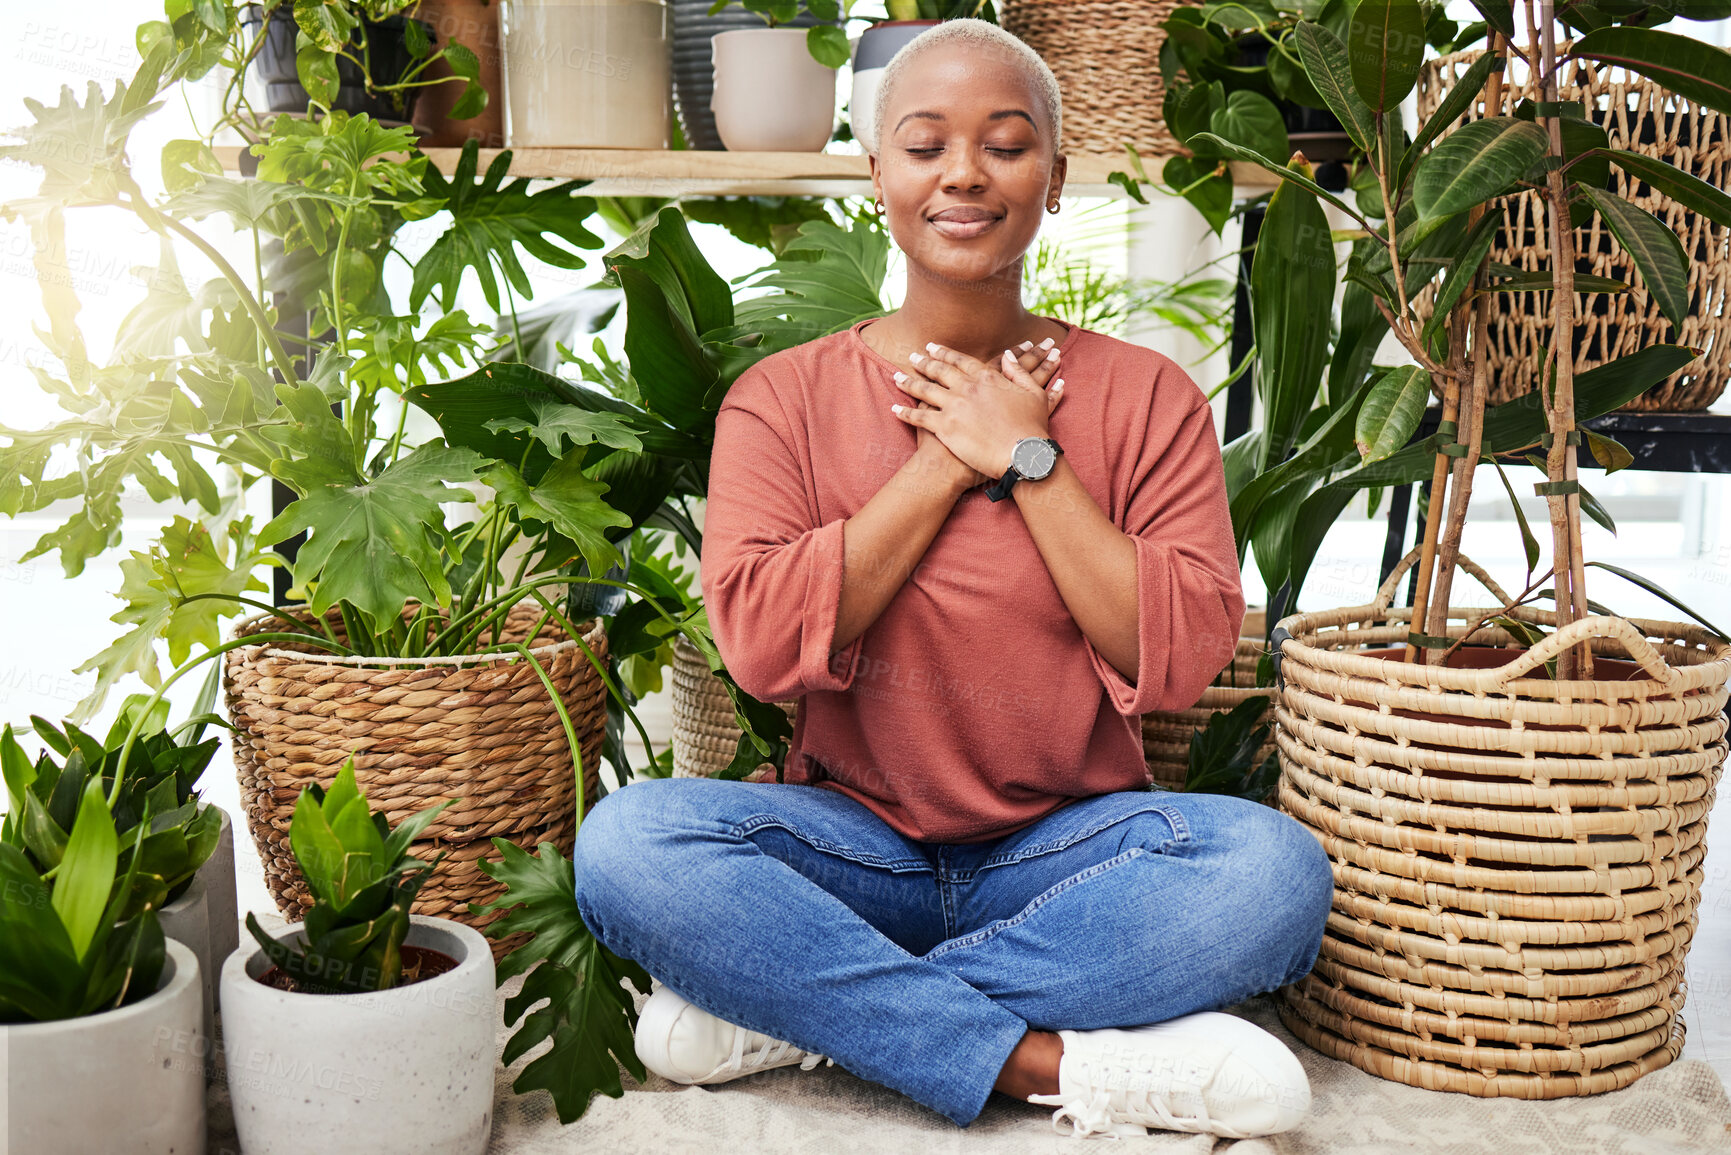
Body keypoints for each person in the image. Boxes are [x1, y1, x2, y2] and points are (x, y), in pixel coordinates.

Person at [571, 18, 1334, 1141]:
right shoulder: (779, 401)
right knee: (628, 845)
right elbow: (764, 646)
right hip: (849, 844)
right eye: (925, 145)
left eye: (1006, 144)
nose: (964, 173)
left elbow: (1178, 655)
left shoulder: (1147, 397)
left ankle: (806, 1011)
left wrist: (1029, 459)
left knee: (1272, 874)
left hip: (1070, 856)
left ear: (1056, 179)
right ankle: (1040, 1061)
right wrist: (941, 461)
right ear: (878, 175)